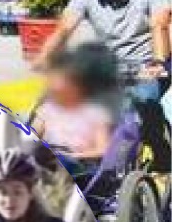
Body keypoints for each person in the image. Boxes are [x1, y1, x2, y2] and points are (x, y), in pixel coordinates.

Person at [35, 0, 172, 172]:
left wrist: (158, 62)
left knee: (142, 98)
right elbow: (64, 29)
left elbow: (160, 25)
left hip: (147, 64)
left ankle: (159, 148)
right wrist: (45, 58)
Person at [31, 46, 117, 184]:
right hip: (50, 159)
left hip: (80, 165)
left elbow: (103, 150)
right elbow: (31, 137)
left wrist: (73, 156)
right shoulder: (47, 110)